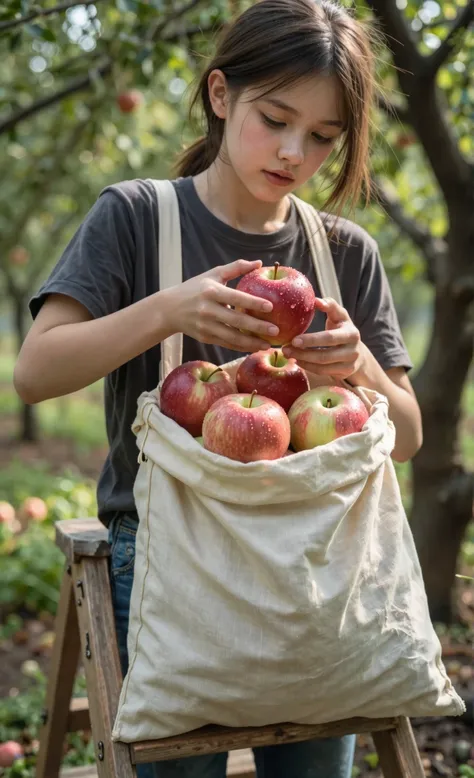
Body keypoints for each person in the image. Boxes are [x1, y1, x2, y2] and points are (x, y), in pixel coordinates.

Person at [14, 0, 423, 775]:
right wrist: (168, 309)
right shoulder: (136, 219)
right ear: (219, 94)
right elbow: (36, 373)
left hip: (310, 563)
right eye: (275, 118)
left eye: (325, 137)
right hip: (175, 556)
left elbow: (407, 436)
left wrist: (357, 367)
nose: (295, 151)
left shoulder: (342, 253)